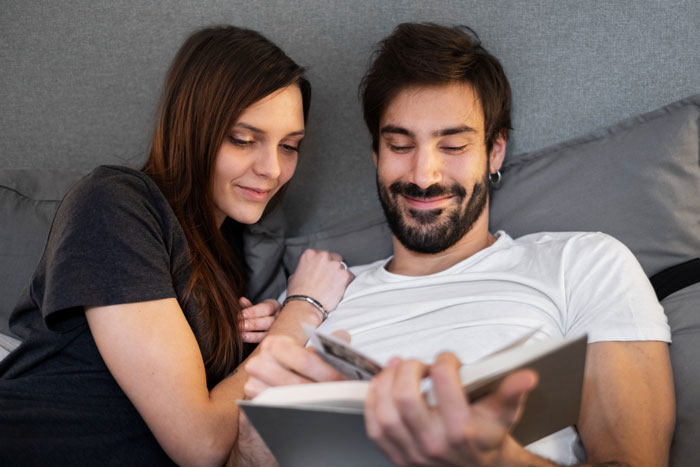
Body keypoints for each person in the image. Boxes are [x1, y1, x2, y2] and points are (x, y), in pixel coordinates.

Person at [242, 23, 675, 466]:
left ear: (494, 152)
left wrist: (494, 458)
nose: (423, 175)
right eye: (399, 144)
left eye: (452, 145)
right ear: (376, 155)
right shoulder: (313, 302)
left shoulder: (582, 264)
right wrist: (256, 437)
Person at [0, 26, 352, 466]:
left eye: (290, 146)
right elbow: (199, 444)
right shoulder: (115, 203)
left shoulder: (224, 250)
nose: (272, 168)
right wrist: (302, 307)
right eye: (243, 139)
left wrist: (233, 336)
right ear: (192, 128)